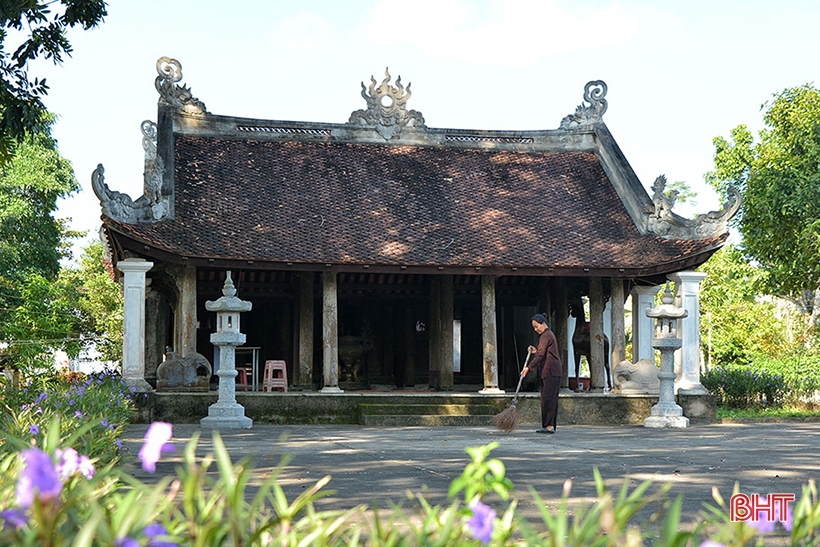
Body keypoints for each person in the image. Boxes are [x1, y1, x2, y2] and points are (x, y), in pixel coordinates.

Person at [520, 313, 563, 434]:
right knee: (547, 398)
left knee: (549, 399)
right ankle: (548, 425)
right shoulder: (547, 335)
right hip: (550, 372)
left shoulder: (545, 336)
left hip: (551, 371)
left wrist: (528, 368)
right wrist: (535, 350)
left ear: (543, 323)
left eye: (536, 326)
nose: (535, 329)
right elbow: (542, 352)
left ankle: (549, 426)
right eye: (533, 327)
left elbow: (541, 355)